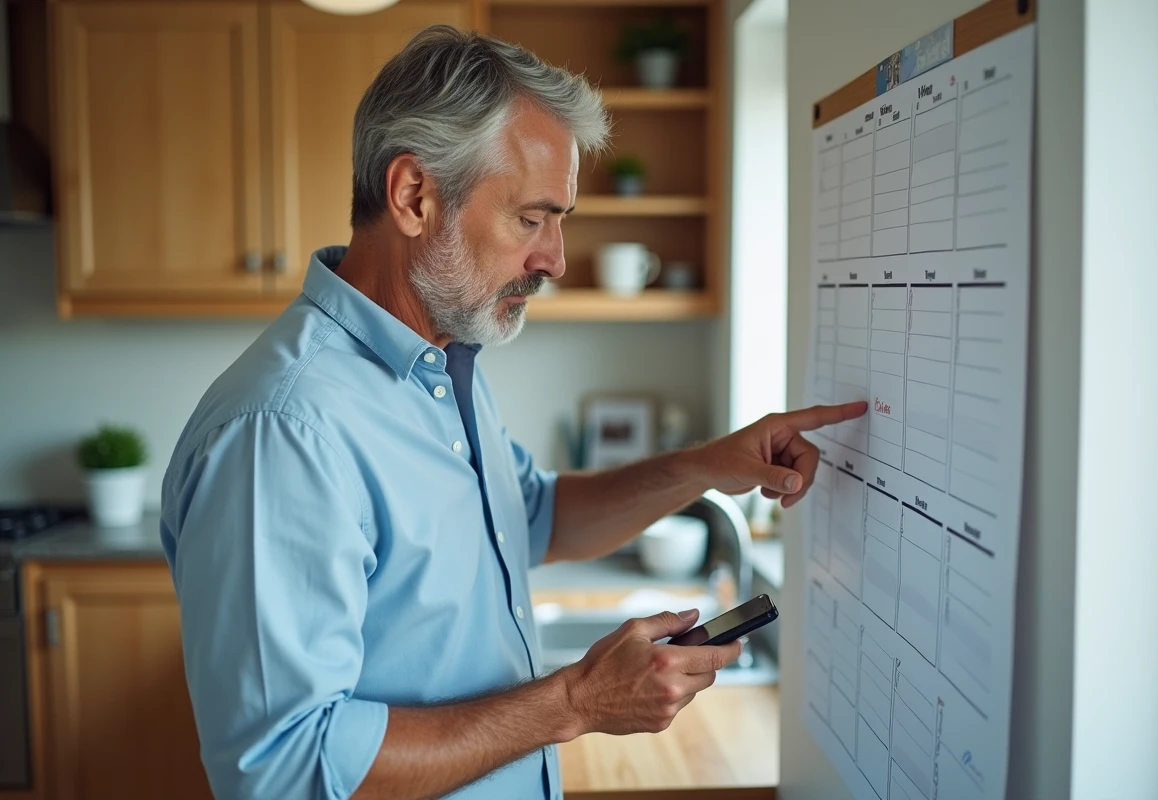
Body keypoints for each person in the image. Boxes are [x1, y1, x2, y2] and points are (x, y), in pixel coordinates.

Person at [159, 24, 866, 800]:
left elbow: (533, 518)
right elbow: (287, 771)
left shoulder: (444, 361)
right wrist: (576, 702)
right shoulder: (283, 432)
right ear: (414, 196)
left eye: (560, 219)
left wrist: (703, 467)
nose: (554, 259)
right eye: (531, 219)